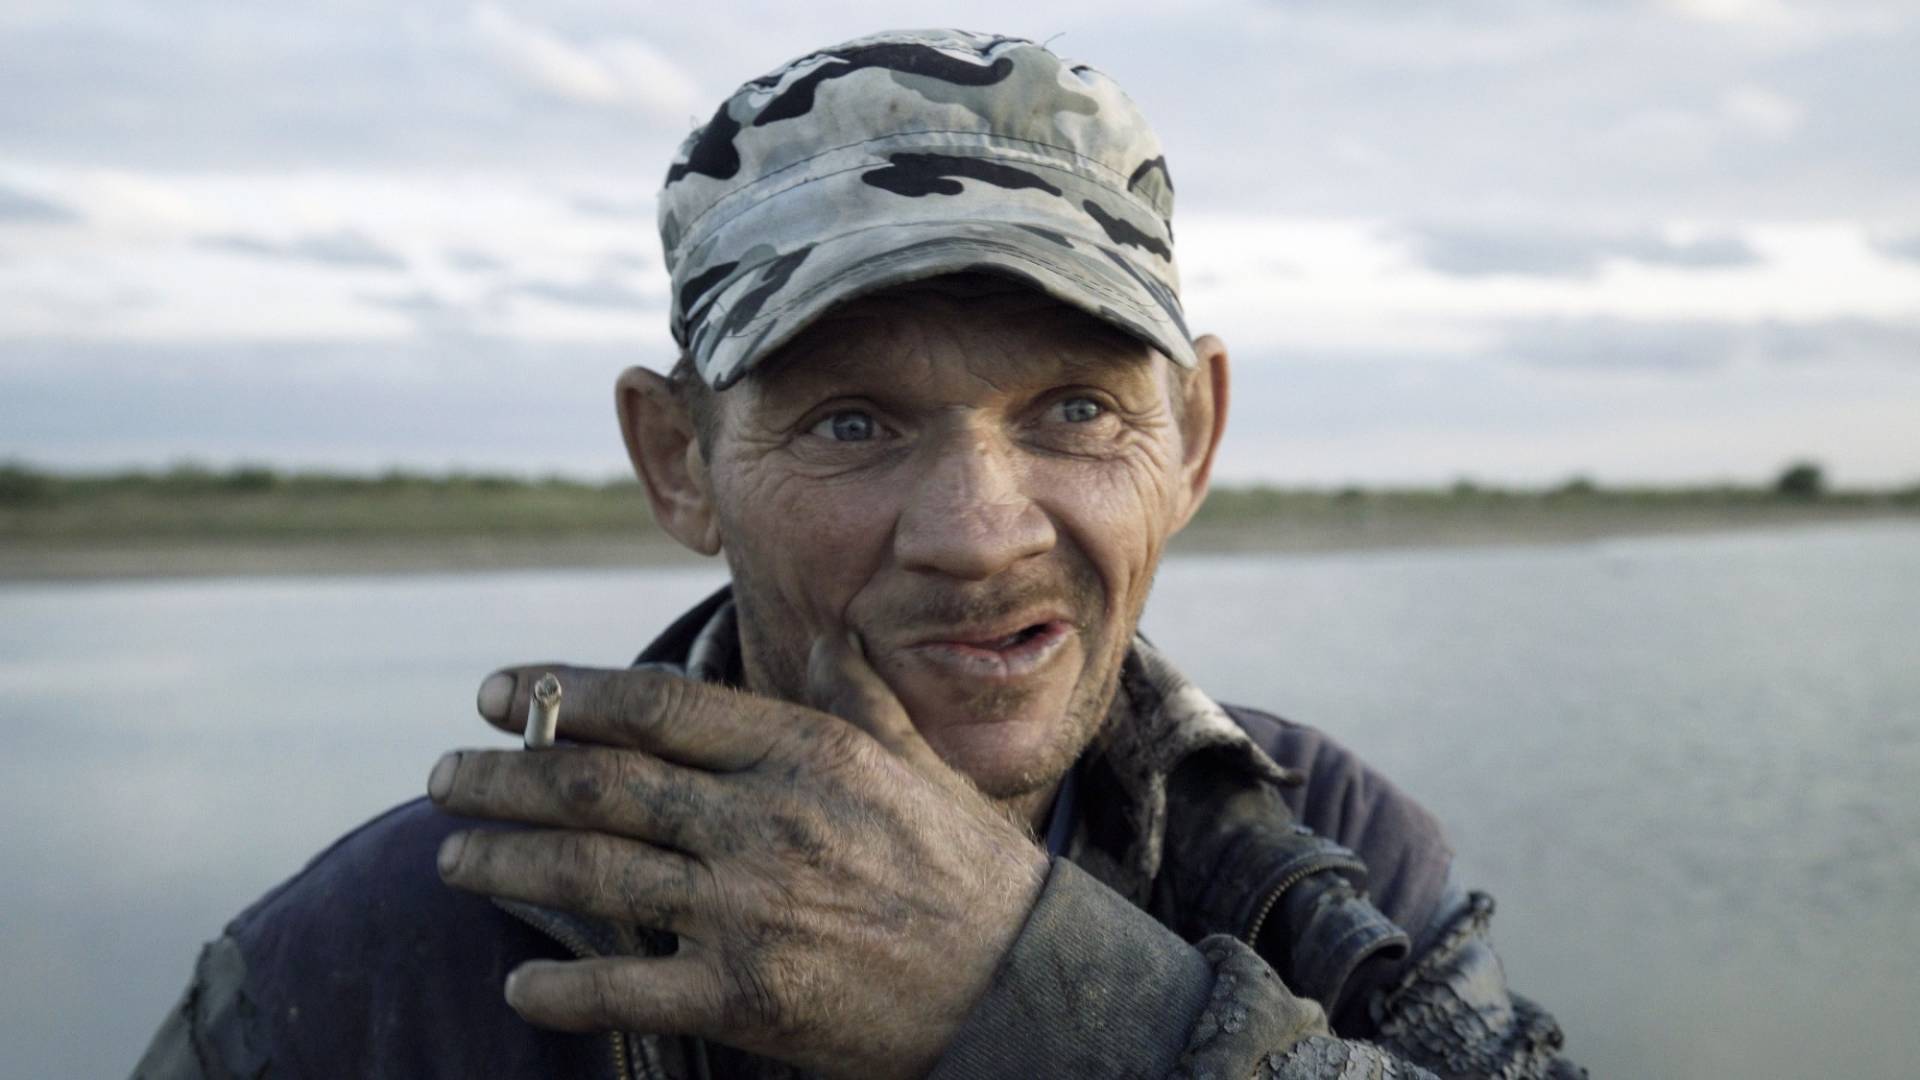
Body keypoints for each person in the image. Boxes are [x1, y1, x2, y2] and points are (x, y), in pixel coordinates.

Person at [135, 29, 1583, 1079]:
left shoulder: (1335, 855)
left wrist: (1057, 1006)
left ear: (1192, 438)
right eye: (849, 422)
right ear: (680, 463)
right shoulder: (370, 962)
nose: (980, 533)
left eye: (1076, 410)